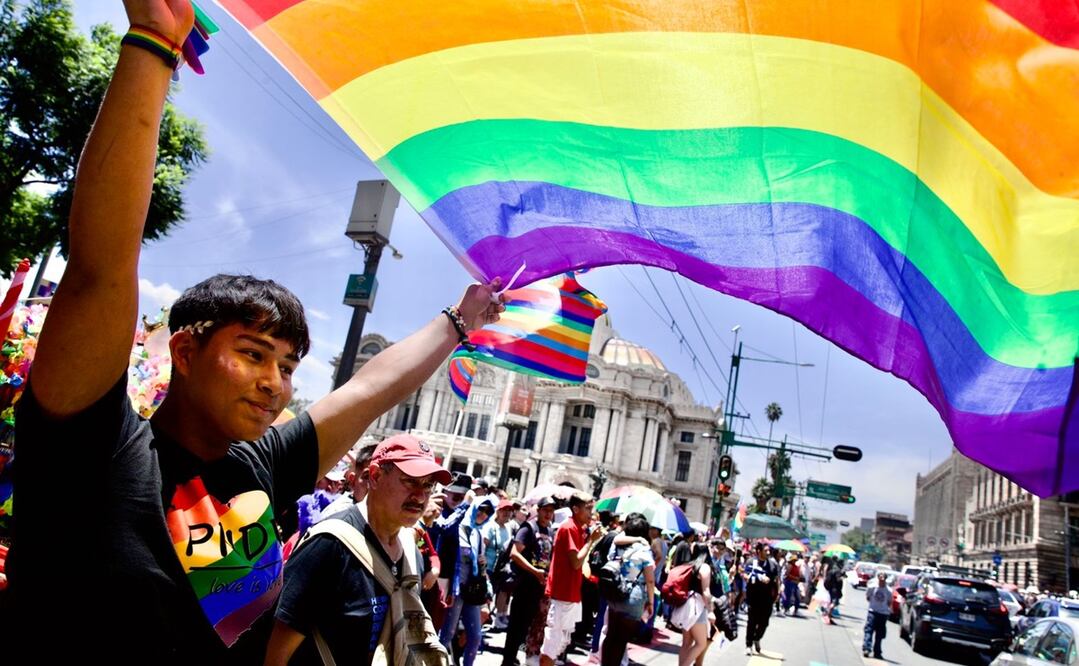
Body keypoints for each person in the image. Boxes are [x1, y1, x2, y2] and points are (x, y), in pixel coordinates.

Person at [10, 2, 505, 660]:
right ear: (184, 351)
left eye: (289, 365)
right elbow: (102, 265)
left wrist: (458, 321)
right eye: (253, 355)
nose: (276, 383)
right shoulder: (92, 444)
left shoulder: (260, 465)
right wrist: (154, 43)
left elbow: (371, 389)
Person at [266, 435, 452, 664]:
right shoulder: (329, 545)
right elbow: (276, 653)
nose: (421, 496)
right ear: (374, 476)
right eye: (410, 481)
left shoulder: (411, 552)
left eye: (428, 485)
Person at [540, 493, 604, 666]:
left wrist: (590, 537)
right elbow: (576, 562)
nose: (592, 512)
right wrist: (591, 540)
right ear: (575, 509)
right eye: (588, 508)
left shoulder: (578, 528)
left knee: (560, 643)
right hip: (562, 594)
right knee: (551, 645)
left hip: (570, 594)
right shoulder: (569, 528)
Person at [439, 497, 495, 666]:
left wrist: (482, 564)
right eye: (481, 509)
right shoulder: (458, 529)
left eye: (487, 512)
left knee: (476, 635)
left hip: (472, 590)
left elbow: (480, 566)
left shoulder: (478, 534)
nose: (483, 514)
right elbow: (444, 531)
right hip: (456, 590)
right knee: (447, 634)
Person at [502, 497, 556, 666]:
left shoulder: (549, 531)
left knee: (526, 626)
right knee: (516, 625)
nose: (548, 514)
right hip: (524, 585)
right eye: (545, 510)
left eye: (551, 511)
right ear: (538, 510)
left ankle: (514, 656)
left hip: (538, 587)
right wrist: (534, 571)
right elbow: (514, 553)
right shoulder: (528, 528)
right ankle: (507, 660)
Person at [600, 513, 655, 666]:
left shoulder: (618, 545)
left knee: (611, 636)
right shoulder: (644, 549)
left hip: (614, 591)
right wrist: (651, 602)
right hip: (632, 597)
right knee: (621, 640)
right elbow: (650, 580)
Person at [677, 544, 714, 666]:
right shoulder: (705, 567)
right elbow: (706, 591)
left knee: (686, 643)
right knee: (701, 643)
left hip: (685, 604)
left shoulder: (689, 565)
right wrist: (711, 611)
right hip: (697, 606)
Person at [484, 499, 518, 629]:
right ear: (498, 511)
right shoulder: (490, 526)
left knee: (495, 594)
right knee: (485, 597)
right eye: (504, 510)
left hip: (499, 569)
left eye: (510, 511)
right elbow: (483, 546)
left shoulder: (508, 528)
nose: (507, 513)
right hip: (487, 568)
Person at [322, 442, 378, 517]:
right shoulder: (338, 514)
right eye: (367, 477)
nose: (374, 485)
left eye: (379, 478)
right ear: (352, 480)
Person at [743, 542, 779, 655]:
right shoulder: (751, 562)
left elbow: (776, 580)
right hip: (753, 597)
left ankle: (757, 638)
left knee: (764, 623)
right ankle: (748, 645)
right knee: (752, 622)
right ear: (759, 551)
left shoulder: (772, 565)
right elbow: (745, 574)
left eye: (769, 551)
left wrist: (777, 593)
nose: (768, 553)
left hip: (767, 598)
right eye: (765, 550)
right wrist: (747, 577)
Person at [863, 571, 892, 658]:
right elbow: (868, 597)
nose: (881, 580)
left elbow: (889, 602)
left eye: (883, 578)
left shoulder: (888, 590)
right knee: (869, 630)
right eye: (880, 578)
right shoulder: (872, 587)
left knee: (880, 634)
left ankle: (877, 652)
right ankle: (867, 648)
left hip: (883, 614)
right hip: (873, 612)